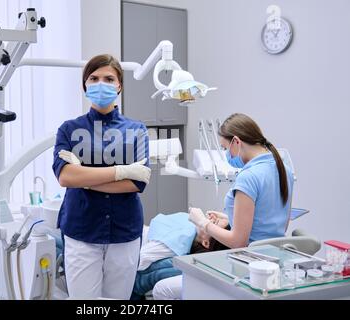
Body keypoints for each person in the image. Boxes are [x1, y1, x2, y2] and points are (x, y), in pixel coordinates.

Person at [152, 113, 295, 300]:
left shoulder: (249, 176)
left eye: (224, 148)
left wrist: (202, 222)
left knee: (162, 289)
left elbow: (238, 242)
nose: (226, 155)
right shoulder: (284, 168)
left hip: (247, 268)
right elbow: (277, 224)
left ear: (236, 141)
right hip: (275, 263)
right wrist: (230, 218)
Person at [52, 54, 150, 299]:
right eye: (93, 78)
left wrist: (83, 176)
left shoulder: (136, 130)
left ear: (119, 86)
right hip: (81, 230)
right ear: (85, 84)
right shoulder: (69, 129)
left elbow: (136, 183)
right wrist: (121, 170)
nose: (100, 84)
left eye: (108, 78)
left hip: (124, 231)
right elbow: (65, 177)